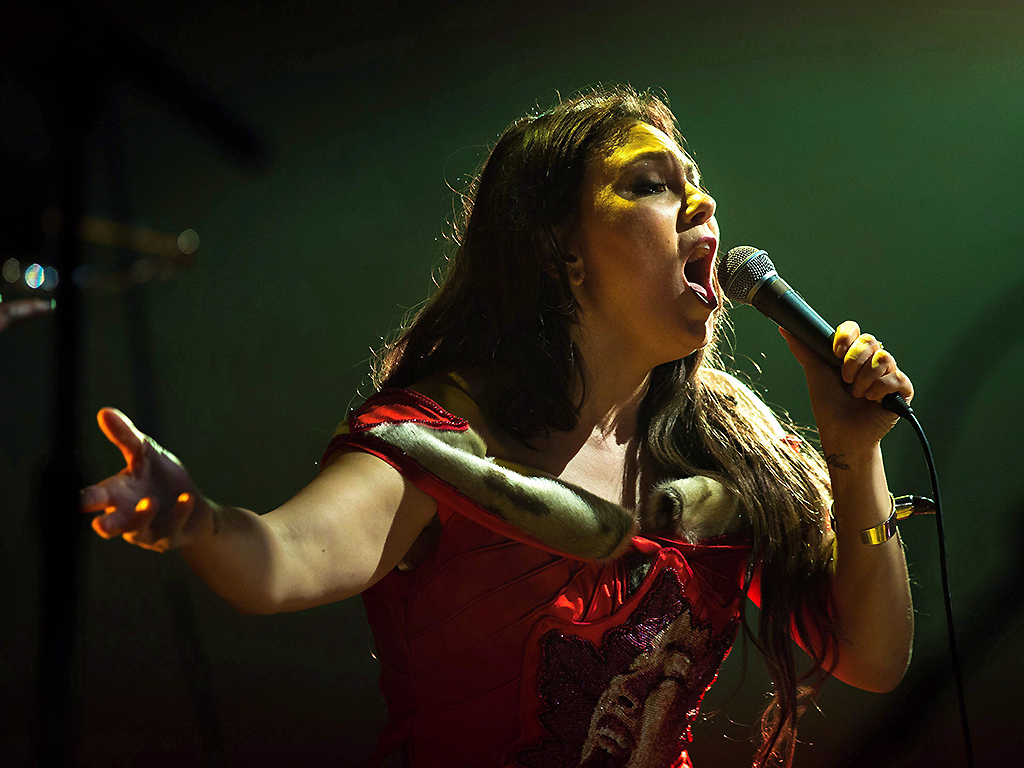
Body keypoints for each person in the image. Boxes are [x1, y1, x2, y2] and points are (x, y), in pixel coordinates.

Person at [80, 85, 914, 768]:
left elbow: (872, 658)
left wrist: (851, 454)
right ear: (559, 252)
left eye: (693, 180)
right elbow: (281, 562)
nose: (702, 200)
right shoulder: (443, 435)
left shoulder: (722, 447)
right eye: (652, 183)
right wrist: (197, 520)